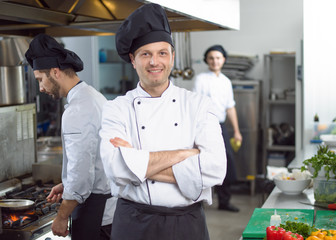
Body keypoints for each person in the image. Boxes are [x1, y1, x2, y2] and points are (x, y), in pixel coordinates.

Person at [99, 3, 226, 240]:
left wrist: (137, 164)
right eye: (145, 54)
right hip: (133, 223)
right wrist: (187, 154)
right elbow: (116, 168)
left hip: (188, 223)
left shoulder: (198, 105)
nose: (154, 62)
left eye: (162, 53)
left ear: (173, 57)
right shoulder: (116, 108)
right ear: (133, 59)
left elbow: (215, 169)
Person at [25, 33, 116, 240]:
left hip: (96, 215)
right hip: (107, 211)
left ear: (55, 72)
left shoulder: (77, 110)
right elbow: (94, 160)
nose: (40, 88)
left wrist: (62, 216)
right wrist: (66, 185)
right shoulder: (93, 97)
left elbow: (81, 173)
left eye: (40, 79)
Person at [193, 45, 243, 212]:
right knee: (201, 162)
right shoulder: (201, 79)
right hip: (204, 125)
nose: (215, 61)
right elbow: (196, 104)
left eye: (218, 58)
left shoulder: (226, 81)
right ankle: (197, 201)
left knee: (226, 162)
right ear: (207, 60)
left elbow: (230, 107)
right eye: (211, 58)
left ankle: (224, 201)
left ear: (224, 60)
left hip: (221, 126)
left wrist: (236, 131)